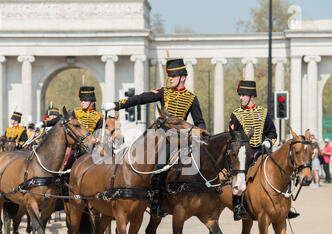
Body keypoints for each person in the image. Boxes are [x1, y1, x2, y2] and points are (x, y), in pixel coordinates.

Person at [102, 58, 206, 217]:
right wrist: (117, 105)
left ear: (182, 77)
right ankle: (155, 204)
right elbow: (140, 98)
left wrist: (201, 135)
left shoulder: (191, 98)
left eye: (173, 76)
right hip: (159, 138)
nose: (170, 78)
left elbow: (199, 122)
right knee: (155, 167)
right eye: (169, 76)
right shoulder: (164, 92)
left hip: (180, 141)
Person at [229, 80, 280, 221]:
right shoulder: (236, 114)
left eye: (243, 95)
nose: (240, 98)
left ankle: (285, 206)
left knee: (280, 170)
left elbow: (273, 133)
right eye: (240, 95)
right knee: (239, 174)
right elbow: (233, 136)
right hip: (245, 153)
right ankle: (238, 206)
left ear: (252, 97)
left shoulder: (263, 113)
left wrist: (268, 143)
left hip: (262, 151)